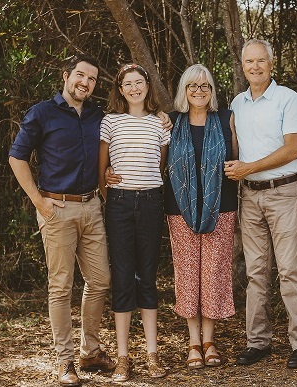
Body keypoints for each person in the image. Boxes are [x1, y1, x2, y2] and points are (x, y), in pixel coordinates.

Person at [8, 55, 115, 386]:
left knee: (100, 281)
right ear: (66, 76)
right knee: (61, 286)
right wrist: (40, 202)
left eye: (92, 79)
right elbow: (17, 157)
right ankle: (65, 361)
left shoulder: (98, 115)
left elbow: (124, 131)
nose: (85, 82)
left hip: (92, 207)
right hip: (57, 209)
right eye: (80, 75)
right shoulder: (43, 112)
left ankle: (90, 352)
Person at [225, 39, 297, 369]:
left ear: (271, 64)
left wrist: (248, 167)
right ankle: (258, 342)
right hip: (249, 197)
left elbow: (293, 149)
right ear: (243, 65)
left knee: (290, 270)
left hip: (283, 193)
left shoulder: (288, 99)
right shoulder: (237, 103)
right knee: (257, 273)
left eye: (260, 61)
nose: (255, 67)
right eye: (249, 62)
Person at [98, 63, 170, 382]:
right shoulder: (109, 122)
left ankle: (153, 355)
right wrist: (108, 188)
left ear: (147, 86)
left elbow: (160, 166)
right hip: (120, 204)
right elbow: (103, 171)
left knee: (148, 277)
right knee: (124, 276)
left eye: (139, 82)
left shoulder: (160, 124)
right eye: (128, 83)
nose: (134, 88)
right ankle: (123, 357)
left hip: (152, 202)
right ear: (121, 89)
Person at [165, 64, 238, 370]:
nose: (198, 91)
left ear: (212, 91)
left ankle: (209, 341)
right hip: (179, 209)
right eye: (192, 86)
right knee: (187, 275)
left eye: (205, 86)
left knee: (213, 274)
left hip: (221, 208)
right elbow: (160, 165)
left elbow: (235, 160)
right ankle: (193, 342)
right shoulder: (171, 122)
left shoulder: (225, 119)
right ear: (184, 90)